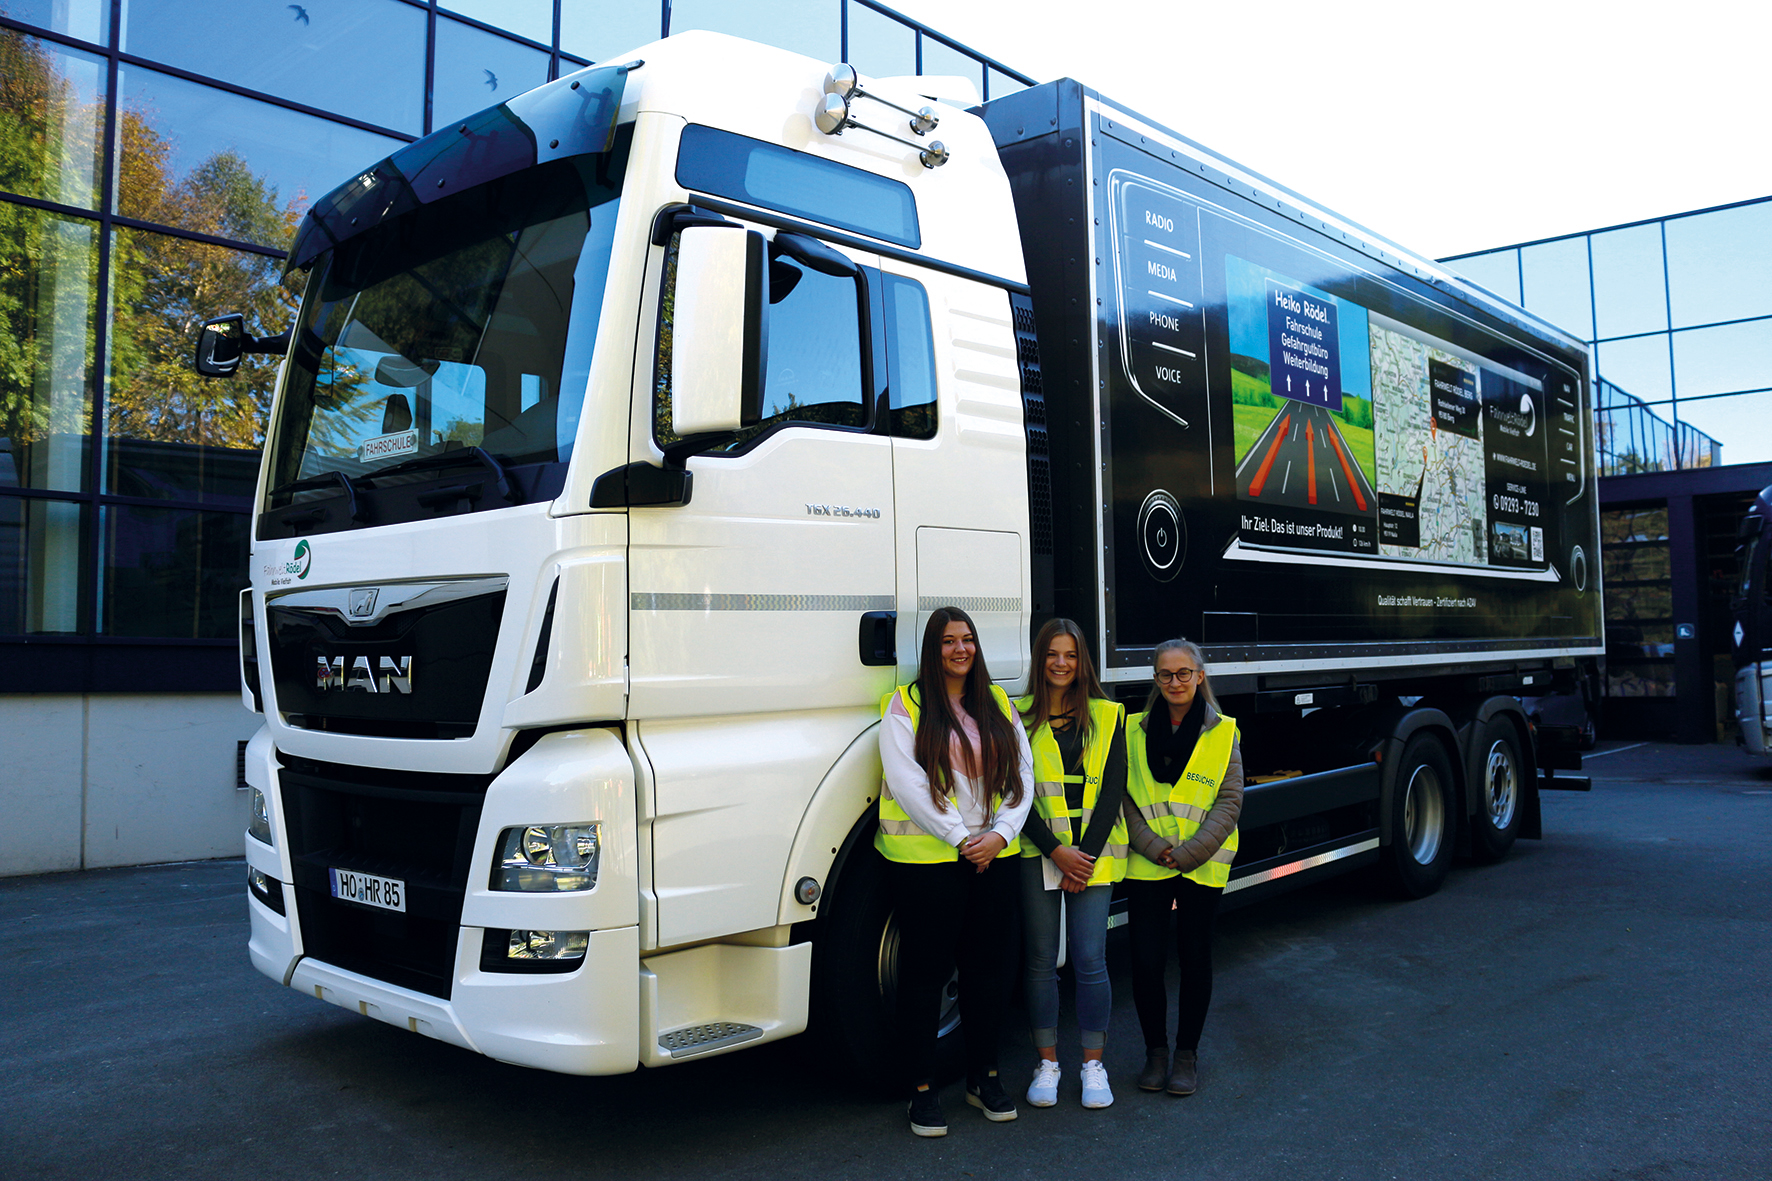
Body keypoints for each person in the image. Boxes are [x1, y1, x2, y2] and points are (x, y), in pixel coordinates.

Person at [877, 606, 1035, 1138]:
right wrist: (961, 838)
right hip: (928, 865)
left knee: (988, 974)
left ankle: (983, 1078)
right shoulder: (905, 705)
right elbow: (907, 783)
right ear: (932, 649)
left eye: (967, 639)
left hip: (994, 857)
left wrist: (1001, 834)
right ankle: (921, 1089)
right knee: (924, 977)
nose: (960, 649)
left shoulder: (997, 702)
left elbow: (1023, 774)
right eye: (948, 641)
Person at [1120, 637, 1243, 1097]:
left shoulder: (1224, 732)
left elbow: (1230, 800)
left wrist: (1190, 852)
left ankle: (1186, 1056)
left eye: (1183, 673)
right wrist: (1152, 846)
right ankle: (1156, 1053)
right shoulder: (1131, 731)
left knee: (1194, 959)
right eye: (1166, 674)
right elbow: (1121, 796)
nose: (1175, 682)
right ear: (1155, 679)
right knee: (1146, 961)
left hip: (1200, 864)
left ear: (1200, 676)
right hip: (1147, 861)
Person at [1015, 618, 1129, 1110]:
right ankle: (1047, 1065)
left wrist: (1082, 860)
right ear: (1039, 660)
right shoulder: (1017, 717)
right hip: (1039, 852)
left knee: (1089, 960)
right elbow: (1013, 794)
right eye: (1052, 654)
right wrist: (1056, 852)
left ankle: (1092, 1066)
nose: (1061, 663)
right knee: (1041, 961)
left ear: (1083, 661)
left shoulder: (1108, 714)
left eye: (1071, 655)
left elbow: (1113, 790)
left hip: (1093, 856)